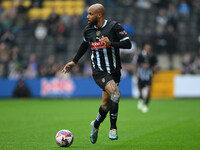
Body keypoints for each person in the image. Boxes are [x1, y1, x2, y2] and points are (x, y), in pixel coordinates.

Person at [62, 3, 131, 143]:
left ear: (99, 15)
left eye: (90, 13)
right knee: (116, 93)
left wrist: (111, 43)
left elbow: (127, 44)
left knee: (106, 104)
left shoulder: (114, 26)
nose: (87, 16)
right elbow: (84, 45)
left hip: (115, 71)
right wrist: (74, 62)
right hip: (99, 71)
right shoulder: (88, 31)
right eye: (88, 13)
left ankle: (96, 125)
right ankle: (113, 128)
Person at [134, 44, 158, 113]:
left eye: (149, 49)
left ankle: (146, 105)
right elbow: (135, 64)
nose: (147, 50)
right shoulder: (140, 55)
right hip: (141, 75)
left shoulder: (152, 56)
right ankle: (141, 100)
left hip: (148, 75)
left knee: (149, 91)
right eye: (146, 48)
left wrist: (154, 70)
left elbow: (155, 65)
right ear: (144, 49)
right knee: (140, 90)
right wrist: (135, 73)